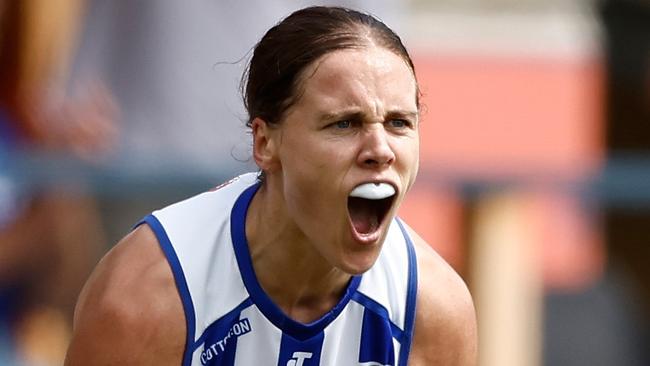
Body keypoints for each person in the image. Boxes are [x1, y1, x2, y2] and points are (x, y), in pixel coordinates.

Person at [64, 6, 477, 366]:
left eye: (399, 123)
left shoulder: (432, 309)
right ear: (264, 144)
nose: (380, 149)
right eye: (344, 123)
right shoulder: (146, 296)